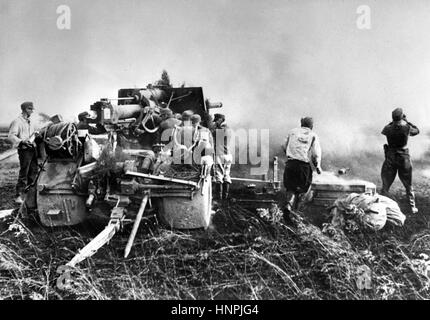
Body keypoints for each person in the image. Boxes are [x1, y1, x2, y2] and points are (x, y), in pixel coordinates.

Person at [381, 108, 419, 214]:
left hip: (390, 156)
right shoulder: (406, 127)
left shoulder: (387, 128)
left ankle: (381, 205)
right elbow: (416, 130)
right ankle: (412, 207)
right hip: (403, 157)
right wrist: (406, 120)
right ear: (402, 116)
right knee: (408, 184)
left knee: (386, 184)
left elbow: (386, 129)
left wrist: (393, 121)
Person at [282, 117, 322, 218]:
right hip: (303, 165)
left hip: (290, 164)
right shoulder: (313, 135)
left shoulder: (292, 132)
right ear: (311, 126)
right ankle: (297, 212)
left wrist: (290, 155)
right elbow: (315, 154)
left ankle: (288, 205)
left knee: (290, 187)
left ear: (301, 124)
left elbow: (283, 145)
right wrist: (317, 167)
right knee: (303, 189)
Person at [8, 101, 39, 204]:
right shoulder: (17, 121)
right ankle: (19, 196)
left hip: (32, 149)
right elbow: (11, 136)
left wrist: (36, 135)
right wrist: (22, 141)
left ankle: (31, 195)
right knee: (24, 173)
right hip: (24, 150)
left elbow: (34, 132)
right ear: (26, 109)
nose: (32, 111)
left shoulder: (31, 121)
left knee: (33, 172)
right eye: (31, 109)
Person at [212, 113, 232, 200]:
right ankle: (225, 197)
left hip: (220, 155)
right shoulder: (228, 129)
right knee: (226, 175)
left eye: (216, 121)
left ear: (220, 120)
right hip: (228, 155)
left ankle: (218, 199)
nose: (215, 123)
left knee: (219, 175)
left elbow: (212, 133)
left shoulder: (219, 130)